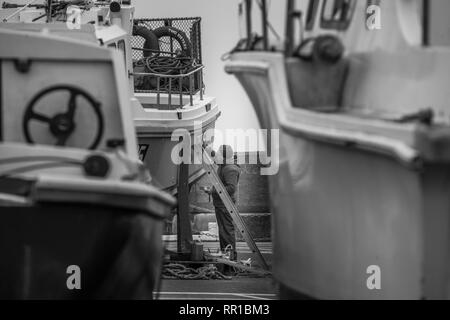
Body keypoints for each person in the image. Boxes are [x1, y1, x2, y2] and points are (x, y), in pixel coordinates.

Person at [206, 145, 241, 260]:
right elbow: (215, 158)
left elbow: (231, 188)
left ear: (225, 157)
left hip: (225, 206)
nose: (217, 155)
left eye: (220, 153)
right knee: (223, 232)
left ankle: (230, 259)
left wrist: (213, 191)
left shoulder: (230, 169)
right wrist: (206, 147)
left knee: (226, 232)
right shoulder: (224, 165)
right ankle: (227, 257)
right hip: (221, 205)